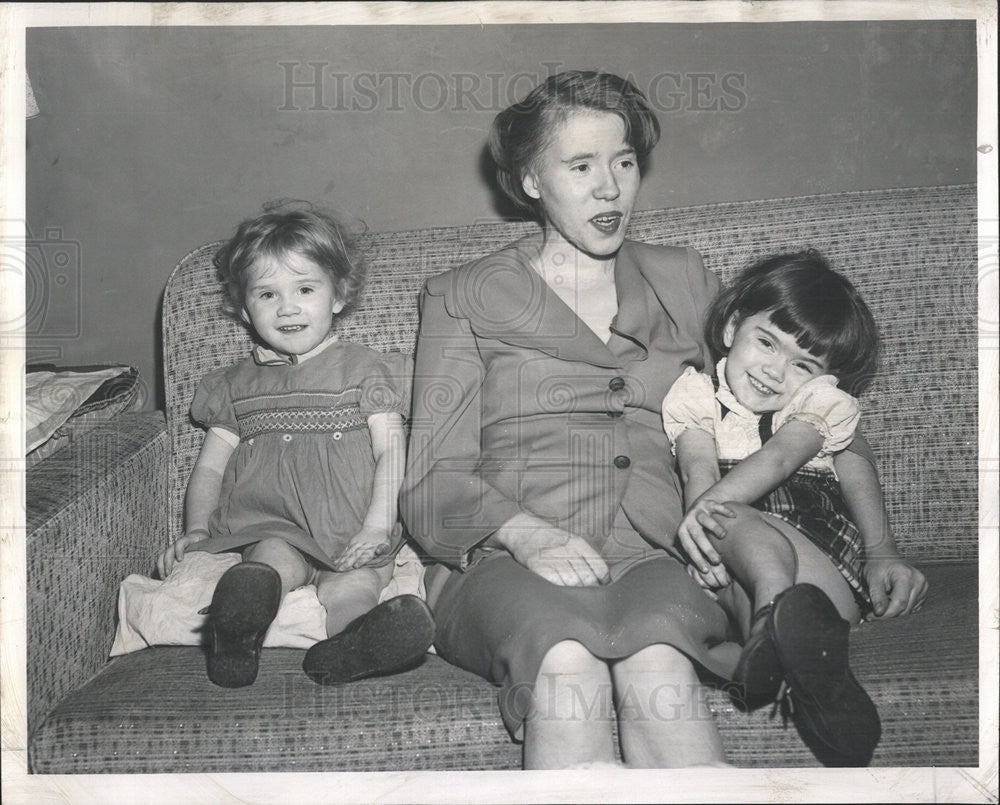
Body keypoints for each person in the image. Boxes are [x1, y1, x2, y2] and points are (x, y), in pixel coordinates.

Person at [400, 70, 742, 769]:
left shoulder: (683, 278)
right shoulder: (463, 297)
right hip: (505, 555)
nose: (610, 187)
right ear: (529, 180)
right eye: (581, 166)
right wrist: (524, 533)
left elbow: (761, 400)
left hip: (656, 548)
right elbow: (431, 478)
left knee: (659, 667)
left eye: (623, 162)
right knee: (564, 668)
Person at [662, 251, 928, 765]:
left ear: (824, 376)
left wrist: (882, 551)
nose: (774, 371)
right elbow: (698, 470)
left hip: (819, 569)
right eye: (766, 342)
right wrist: (701, 547)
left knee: (731, 515)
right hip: (741, 569)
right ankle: (808, 677)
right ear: (732, 328)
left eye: (803, 364)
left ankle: (776, 619)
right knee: (726, 532)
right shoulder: (696, 393)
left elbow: (784, 457)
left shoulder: (819, 405)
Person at [156, 205, 434, 688]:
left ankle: (351, 647)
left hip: (352, 529)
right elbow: (210, 470)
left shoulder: (369, 370)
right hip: (273, 525)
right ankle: (237, 636)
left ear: (338, 296)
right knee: (268, 565)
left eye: (305, 289)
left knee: (353, 587)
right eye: (268, 294)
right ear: (244, 309)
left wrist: (376, 526)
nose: (287, 307)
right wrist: (197, 531)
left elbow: (392, 451)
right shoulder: (235, 385)